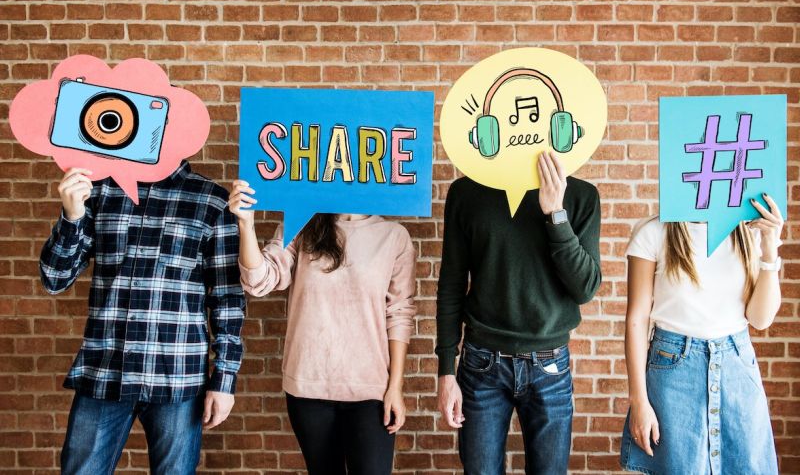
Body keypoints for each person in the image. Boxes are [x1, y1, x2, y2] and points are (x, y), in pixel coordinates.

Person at [40, 163, 245, 475]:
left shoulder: (212, 200)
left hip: (177, 378)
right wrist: (72, 216)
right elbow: (55, 278)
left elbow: (227, 300)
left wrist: (224, 381)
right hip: (104, 371)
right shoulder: (100, 190)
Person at [228, 180, 417, 475]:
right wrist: (245, 224)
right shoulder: (302, 223)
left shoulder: (394, 236)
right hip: (308, 386)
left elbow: (399, 314)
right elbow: (259, 280)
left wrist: (395, 388)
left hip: (369, 390)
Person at [436, 151, 602, 475]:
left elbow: (585, 289)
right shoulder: (466, 193)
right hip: (482, 363)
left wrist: (555, 213)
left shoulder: (581, 196)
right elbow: (451, 285)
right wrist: (445, 370)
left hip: (549, 366)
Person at [620, 194, 783, 474]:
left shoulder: (746, 232)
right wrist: (639, 401)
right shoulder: (654, 232)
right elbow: (636, 319)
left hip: (737, 366)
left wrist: (769, 253)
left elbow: (760, 319)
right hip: (673, 370)